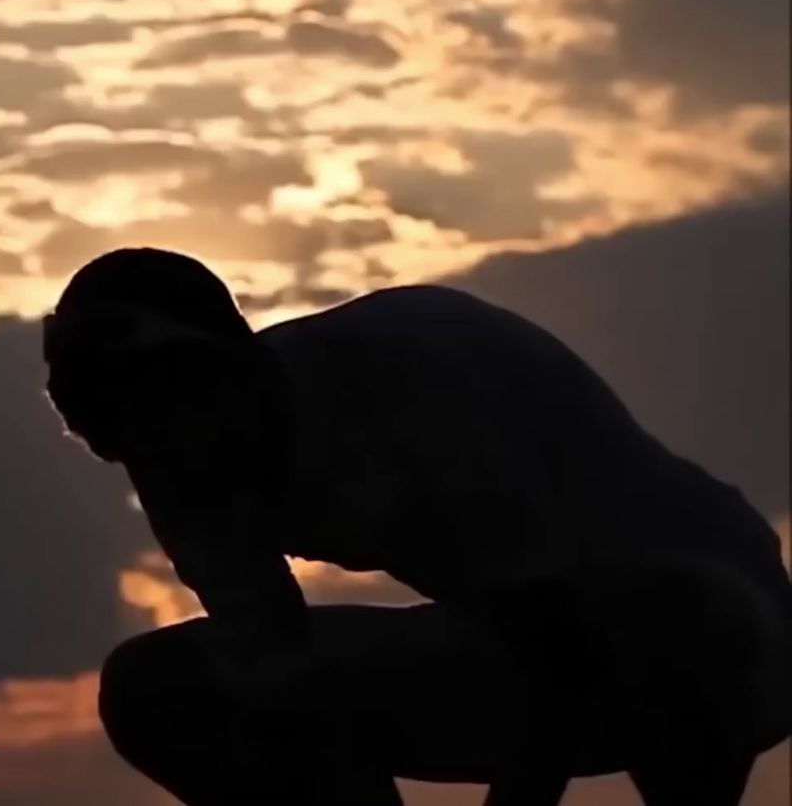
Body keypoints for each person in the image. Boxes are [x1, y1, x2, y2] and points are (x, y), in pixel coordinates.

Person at [41, 248, 790, 806]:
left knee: (657, 615)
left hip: (728, 627)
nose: (159, 460)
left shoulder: (415, 362)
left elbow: (562, 650)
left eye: (166, 419)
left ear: (228, 367)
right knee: (158, 688)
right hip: (517, 649)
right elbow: (284, 683)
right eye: (120, 440)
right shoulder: (169, 454)